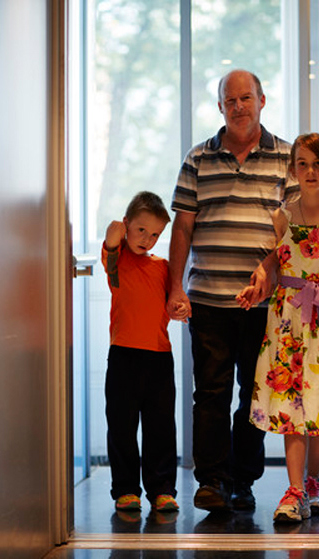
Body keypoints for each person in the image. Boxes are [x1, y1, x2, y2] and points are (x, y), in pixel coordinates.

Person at [167, 69, 299, 512]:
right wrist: (175, 287)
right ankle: (212, 482)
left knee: (254, 395)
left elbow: (296, 230)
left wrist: (270, 268)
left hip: (265, 304)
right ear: (220, 107)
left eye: (246, 98)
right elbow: (182, 227)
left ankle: (243, 480)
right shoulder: (198, 159)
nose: (239, 106)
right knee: (210, 392)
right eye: (230, 100)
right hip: (208, 298)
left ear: (262, 100)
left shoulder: (288, 157)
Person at [236, 132, 319, 523]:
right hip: (290, 318)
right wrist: (258, 287)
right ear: (292, 169)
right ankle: (293, 491)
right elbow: (278, 267)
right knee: (293, 402)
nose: (310, 171)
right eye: (303, 164)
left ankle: (312, 483)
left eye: (317, 163)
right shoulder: (283, 217)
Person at [102, 191, 179, 515]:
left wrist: (179, 307)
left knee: (160, 427)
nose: (147, 239)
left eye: (155, 234)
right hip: (123, 355)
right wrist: (120, 230)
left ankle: (162, 489)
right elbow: (111, 236)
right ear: (127, 225)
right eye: (141, 230)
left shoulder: (163, 267)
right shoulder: (116, 260)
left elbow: (174, 302)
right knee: (122, 426)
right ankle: (126, 490)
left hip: (159, 357)